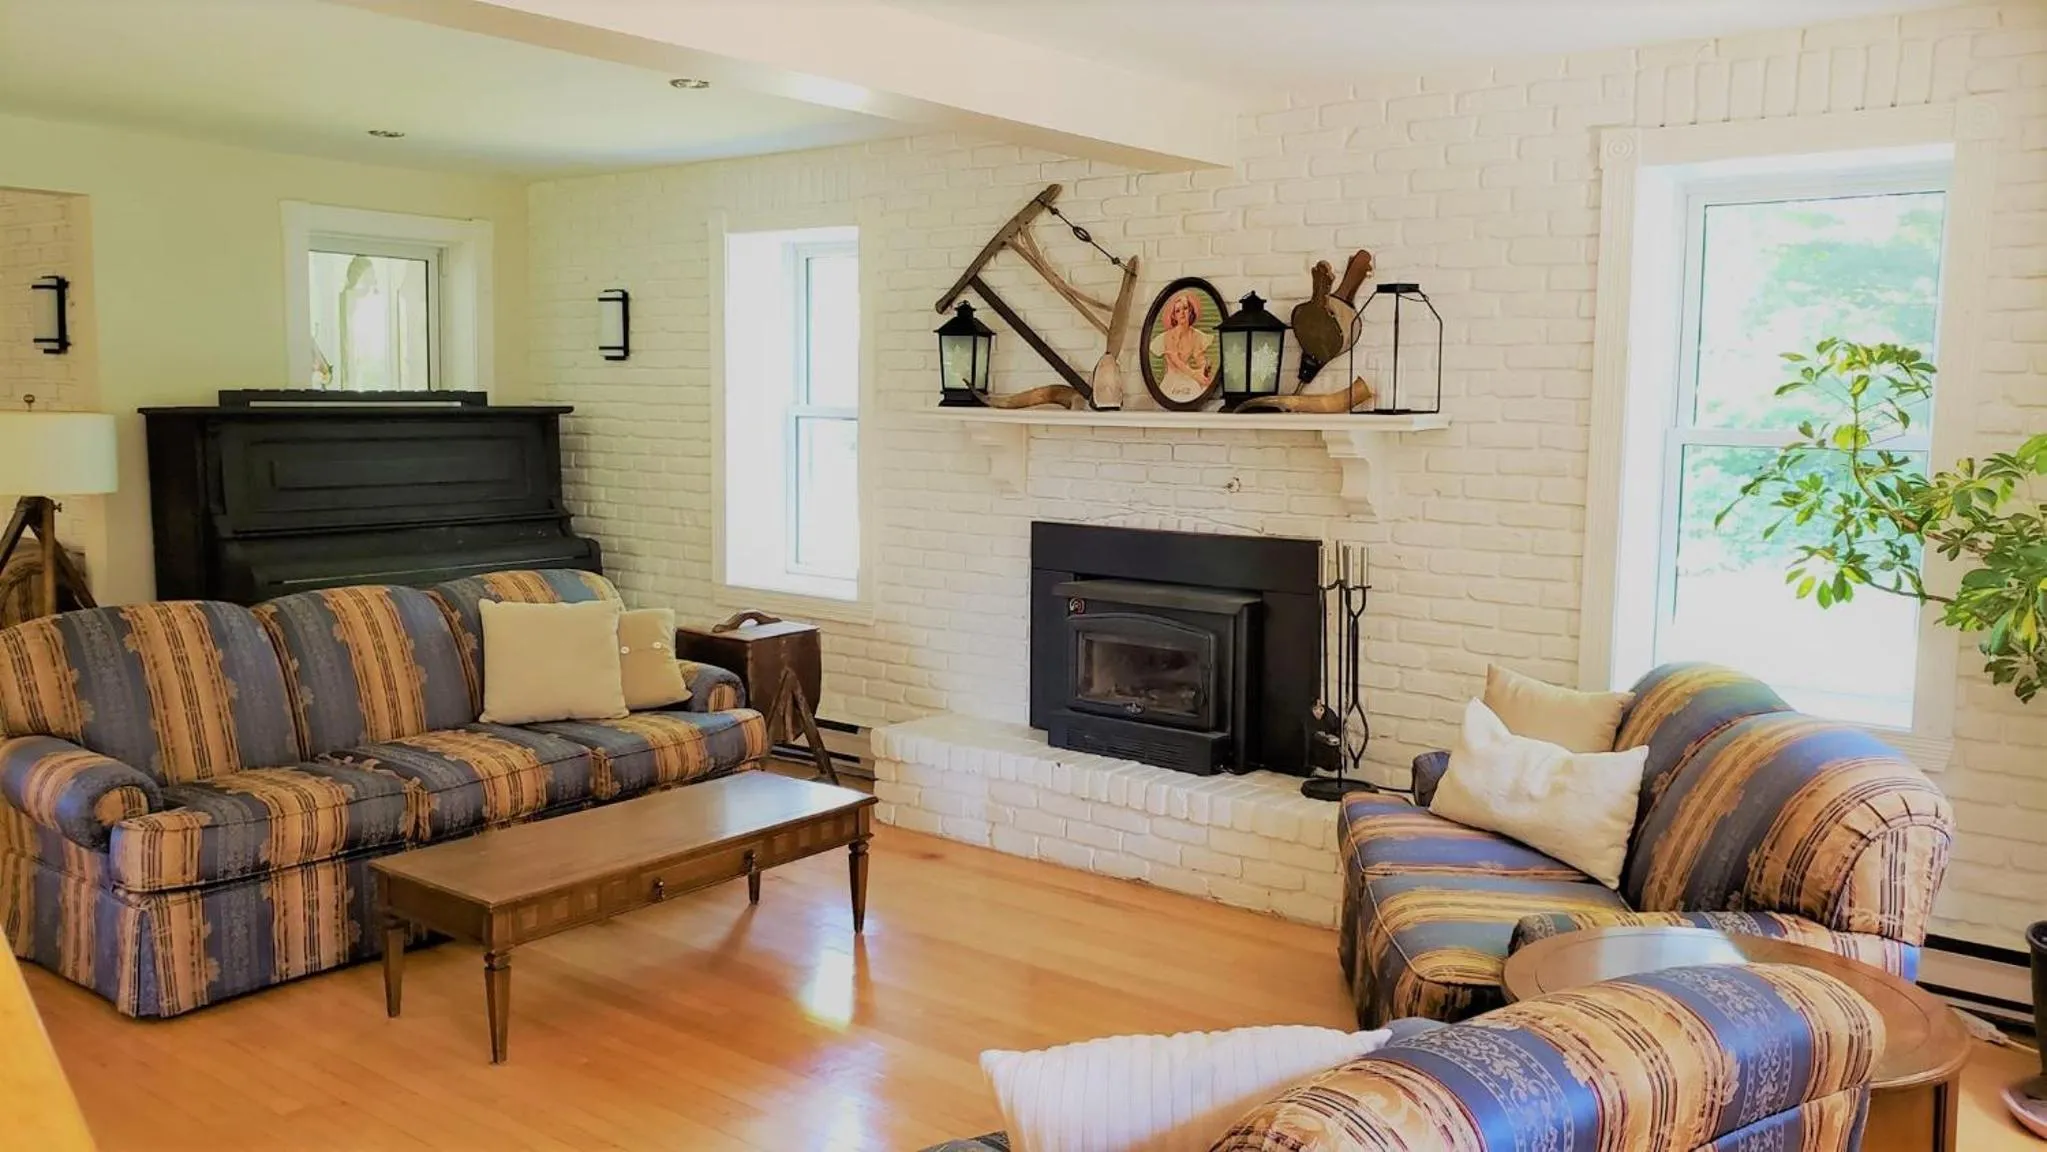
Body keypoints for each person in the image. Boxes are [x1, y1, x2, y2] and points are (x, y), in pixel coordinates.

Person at [1151, 291, 1215, 403]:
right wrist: (1196, 375)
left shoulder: (1196, 335)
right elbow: (1177, 362)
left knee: (1202, 390)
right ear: (1174, 316)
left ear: (1190, 311)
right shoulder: (1168, 336)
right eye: (1178, 310)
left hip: (1189, 378)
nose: (1182, 313)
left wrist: (1205, 369)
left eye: (1185, 308)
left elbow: (1199, 358)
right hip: (1172, 381)